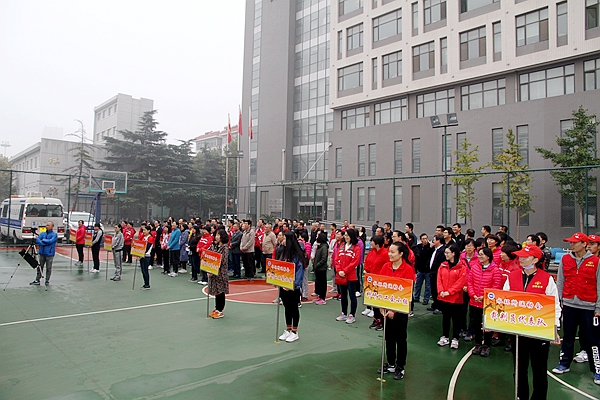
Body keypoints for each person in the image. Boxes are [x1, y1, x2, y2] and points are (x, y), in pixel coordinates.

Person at [502, 245, 560, 400]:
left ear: (535, 260)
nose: (521, 259)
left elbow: (554, 305)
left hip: (539, 332)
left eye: (525, 257)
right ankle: (521, 396)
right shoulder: (512, 276)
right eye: (520, 256)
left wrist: (554, 328)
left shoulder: (546, 279)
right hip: (518, 331)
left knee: (539, 369)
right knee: (519, 369)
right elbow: (504, 300)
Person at [552, 232, 600, 386]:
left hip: (589, 306)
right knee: (568, 336)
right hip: (569, 304)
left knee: (593, 340)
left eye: (575, 242)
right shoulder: (565, 259)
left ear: (584, 244)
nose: (571, 245)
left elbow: (599, 285)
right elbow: (561, 281)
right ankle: (564, 363)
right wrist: (560, 301)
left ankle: (597, 370)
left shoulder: (596, 261)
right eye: (570, 242)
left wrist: (598, 307)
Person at [377, 242, 415, 380]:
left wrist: (394, 310)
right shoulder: (386, 267)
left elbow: (406, 292)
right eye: (389, 251)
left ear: (401, 254)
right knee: (388, 337)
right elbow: (381, 286)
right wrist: (381, 306)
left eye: (393, 252)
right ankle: (391, 363)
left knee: (400, 339)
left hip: (400, 311)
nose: (390, 254)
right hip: (386, 309)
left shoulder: (408, 269)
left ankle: (400, 366)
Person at [467, 247, 502, 357]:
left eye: (482, 254)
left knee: (487, 325)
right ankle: (478, 343)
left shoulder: (495, 270)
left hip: (488, 304)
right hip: (474, 302)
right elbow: (469, 282)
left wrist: (484, 297)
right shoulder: (475, 267)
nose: (479, 256)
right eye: (479, 254)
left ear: (488, 256)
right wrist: (473, 295)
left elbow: (496, 286)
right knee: (476, 324)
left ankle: (486, 345)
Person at [437, 245, 467, 349]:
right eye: (445, 253)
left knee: (456, 319)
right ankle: (445, 336)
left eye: (447, 253)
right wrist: (441, 291)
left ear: (454, 253)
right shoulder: (443, 265)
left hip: (455, 298)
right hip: (444, 297)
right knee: (445, 318)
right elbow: (439, 279)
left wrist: (449, 292)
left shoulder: (462, 267)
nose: (445, 255)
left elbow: (460, 282)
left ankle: (455, 338)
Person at [278, 231, 306, 342]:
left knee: (293, 308)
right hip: (283, 285)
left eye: (284, 238)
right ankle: (288, 329)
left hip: (293, 287)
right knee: (287, 307)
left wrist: (293, 285)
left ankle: (295, 331)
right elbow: (280, 267)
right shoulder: (283, 252)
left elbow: (299, 272)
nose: (282, 240)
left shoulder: (297, 255)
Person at [334, 229, 361, 324]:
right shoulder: (342, 246)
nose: (345, 237)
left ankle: (352, 315)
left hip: (351, 276)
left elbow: (355, 262)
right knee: (343, 295)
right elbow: (337, 259)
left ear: (352, 236)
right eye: (345, 235)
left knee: (352, 295)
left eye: (347, 235)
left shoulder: (356, 248)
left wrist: (345, 271)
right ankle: (344, 313)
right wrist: (339, 270)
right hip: (341, 275)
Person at [209, 229, 230, 318]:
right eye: (216, 235)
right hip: (214, 272)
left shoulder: (224, 248)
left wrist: (213, 268)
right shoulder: (215, 246)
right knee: (216, 291)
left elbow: (222, 261)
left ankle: (220, 310)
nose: (216, 237)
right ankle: (217, 308)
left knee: (221, 291)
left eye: (218, 235)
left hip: (221, 273)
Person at [31, 221, 58, 286]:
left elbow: (51, 241)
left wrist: (43, 240)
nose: (47, 226)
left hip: (49, 254)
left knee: (48, 268)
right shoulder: (42, 233)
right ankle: (37, 279)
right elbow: (38, 240)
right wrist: (43, 243)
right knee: (40, 267)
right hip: (42, 253)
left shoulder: (54, 234)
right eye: (46, 225)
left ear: (52, 227)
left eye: (48, 225)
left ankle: (47, 280)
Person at [428, 234, 446, 315]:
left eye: (434, 240)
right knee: (433, 290)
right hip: (433, 273)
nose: (433, 241)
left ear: (438, 241)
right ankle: (435, 304)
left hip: (437, 273)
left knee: (437, 290)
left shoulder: (442, 250)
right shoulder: (436, 249)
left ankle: (439, 307)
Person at [413, 233, 434, 306]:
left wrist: (430, 248)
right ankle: (416, 297)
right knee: (418, 284)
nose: (425, 240)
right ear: (421, 240)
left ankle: (426, 299)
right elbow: (418, 257)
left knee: (428, 286)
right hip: (420, 269)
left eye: (426, 238)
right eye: (423, 239)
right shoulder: (418, 247)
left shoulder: (431, 247)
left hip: (428, 270)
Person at [312, 232, 329, 305]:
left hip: (321, 268)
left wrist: (317, 265)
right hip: (318, 268)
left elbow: (324, 258)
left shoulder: (324, 247)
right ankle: (319, 296)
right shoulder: (320, 246)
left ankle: (322, 297)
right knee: (319, 282)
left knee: (322, 283)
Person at [139, 225, 154, 290]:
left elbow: (147, 248)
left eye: (145, 230)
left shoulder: (150, 238)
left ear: (149, 231)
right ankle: (145, 284)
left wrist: (141, 254)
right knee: (143, 271)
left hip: (146, 256)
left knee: (145, 271)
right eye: (143, 230)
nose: (143, 231)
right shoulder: (143, 237)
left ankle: (147, 284)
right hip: (142, 256)